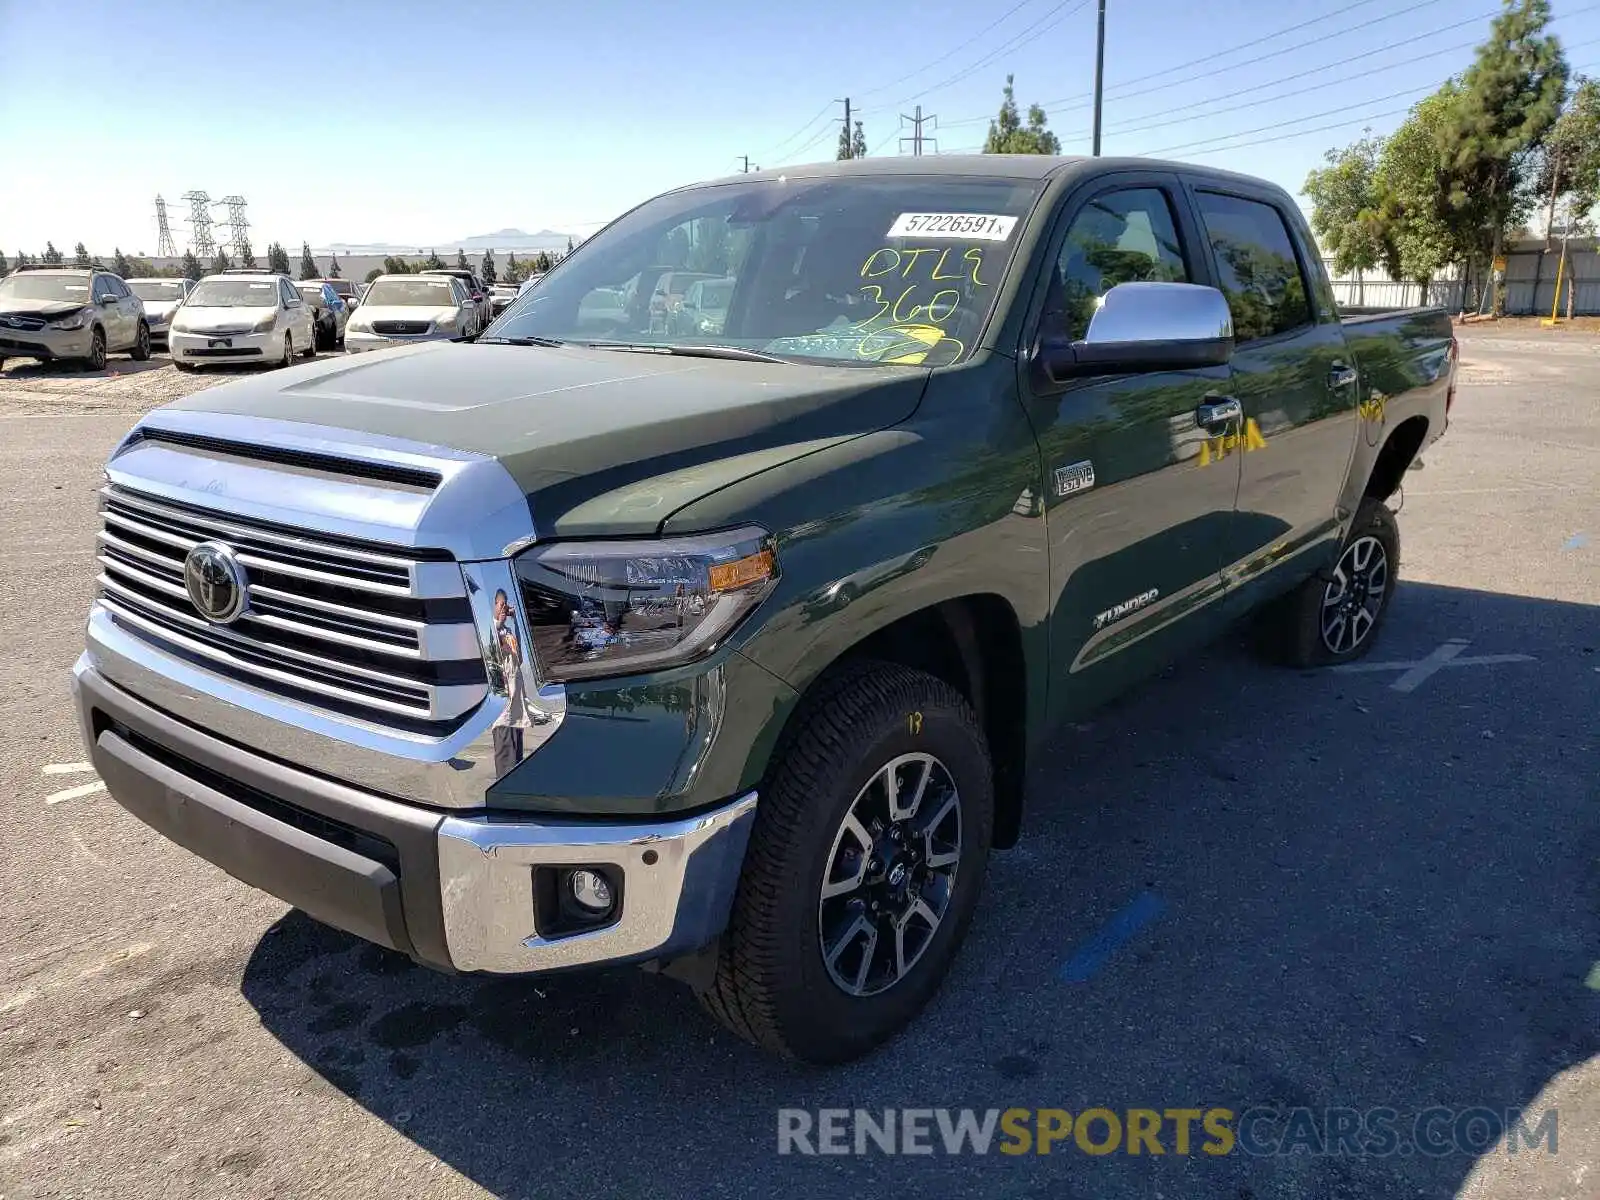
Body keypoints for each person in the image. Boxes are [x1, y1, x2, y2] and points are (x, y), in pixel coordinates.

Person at [490, 588, 530, 777]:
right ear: (493, 605)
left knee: (516, 755)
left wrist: (516, 620)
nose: (504, 608)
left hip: (517, 702)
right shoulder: (490, 628)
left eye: (505, 604)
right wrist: (499, 621)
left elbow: (520, 656)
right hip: (503, 704)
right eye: (500, 604)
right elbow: (491, 646)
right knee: (505, 753)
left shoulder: (508, 632)